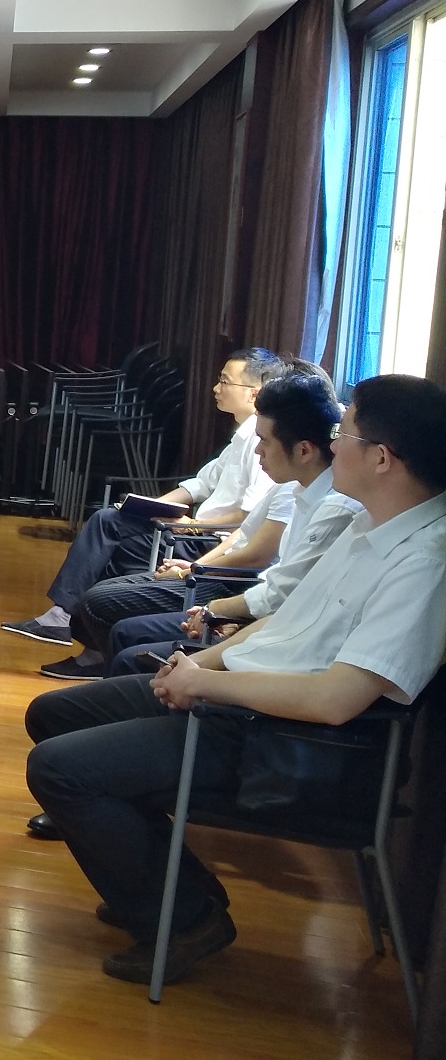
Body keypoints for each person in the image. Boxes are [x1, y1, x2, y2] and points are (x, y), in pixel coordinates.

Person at [23, 374, 446, 987]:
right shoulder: (371, 524)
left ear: (382, 458)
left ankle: (188, 918)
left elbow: (336, 700)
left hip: (289, 746)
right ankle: (158, 880)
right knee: (54, 714)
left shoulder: (425, 562)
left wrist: (206, 687)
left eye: (344, 432)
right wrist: (202, 665)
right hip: (246, 704)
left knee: (60, 769)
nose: (333, 443)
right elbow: (283, 622)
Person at [42, 369, 342, 681]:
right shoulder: (295, 486)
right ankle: (80, 638)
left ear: (304, 450)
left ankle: (114, 673)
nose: (258, 450)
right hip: (227, 574)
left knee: (115, 620)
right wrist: (164, 520)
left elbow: (268, 577)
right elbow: (224, 509)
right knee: (109, 544)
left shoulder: (334, 508)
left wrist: (207, 593)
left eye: (264, 442)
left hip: (233, 576)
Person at [1, 348, 285, 648]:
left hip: (207, 539)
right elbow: (200, 484)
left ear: (254, 393)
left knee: (110, 529)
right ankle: (77, 628)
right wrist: (152, 505)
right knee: (111, 524)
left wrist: (194, 524)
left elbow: (246, 516)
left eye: (225, 382)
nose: (216, 388)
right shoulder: (241, 437)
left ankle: (72, 625)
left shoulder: (260, 443)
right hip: (193, 530)